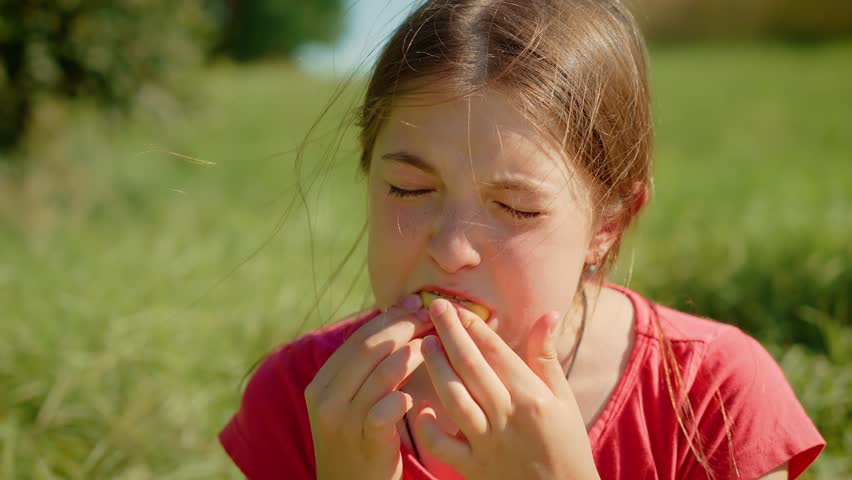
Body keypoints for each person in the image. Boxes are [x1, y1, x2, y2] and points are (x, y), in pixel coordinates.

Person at [219, 0, 825, 478]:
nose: (452, 248)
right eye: (408, 189)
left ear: (609, 223)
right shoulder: (305, 403)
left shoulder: (710, 394)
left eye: (514, 207)